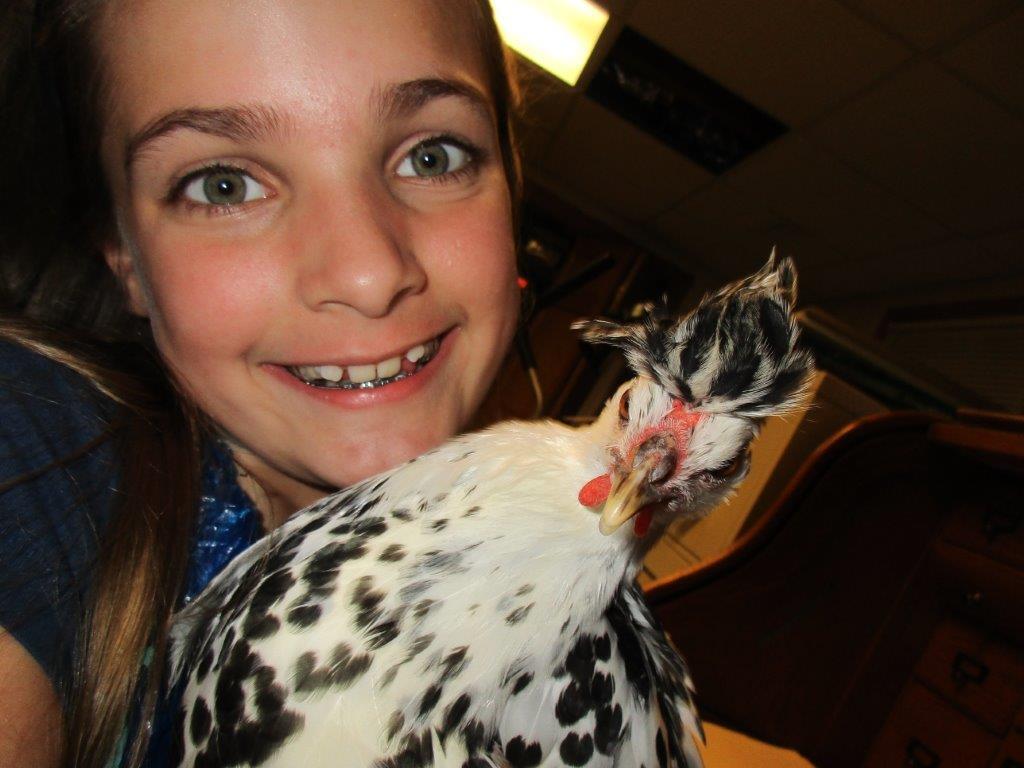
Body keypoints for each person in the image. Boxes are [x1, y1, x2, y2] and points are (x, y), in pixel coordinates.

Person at [0, 1, 522, 765]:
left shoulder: (514, 615)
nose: (369, 274)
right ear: (123, 255)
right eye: (224, 186)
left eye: (432, 157)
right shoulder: (38, 448)